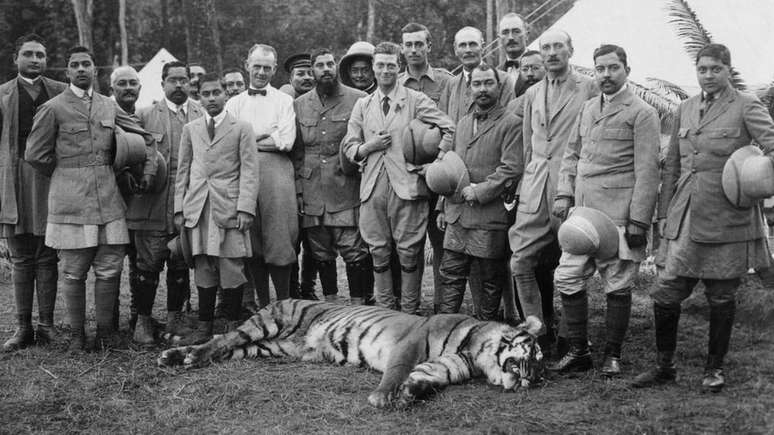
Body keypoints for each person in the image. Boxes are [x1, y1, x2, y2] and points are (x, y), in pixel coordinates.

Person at [633, 43, 774, 392]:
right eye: (702, 69)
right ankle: (665, 365)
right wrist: (664, 214)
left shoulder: (745, 105)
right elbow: (674, 169)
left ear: (728, 69)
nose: (708, 75)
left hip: (728, 218)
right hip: (685, 217)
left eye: (715, 69)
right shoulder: (685, 108)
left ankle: (715, 369)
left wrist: (757, 181)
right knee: (665, 293)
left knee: (721, 297)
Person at [25, 46, 157, 352]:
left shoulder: (108, 107)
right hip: (70, 201)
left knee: (110, 267)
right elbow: (35, 154)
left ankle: (105, 332)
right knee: (73, 270)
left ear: (95, 70)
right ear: (67, 72)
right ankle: (76, 335)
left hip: (109, 199)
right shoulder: (53, 107)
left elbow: (145, 138)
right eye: (75, 65)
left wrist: (146, 171)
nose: (81, 69)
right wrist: (65, 175)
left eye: (87, 64)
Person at [550, 45, 660, 376]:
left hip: (619, 218)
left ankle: (613, 354)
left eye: (613, 68)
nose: (606, 75)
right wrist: (564, 193)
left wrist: (639, 221)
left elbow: (648, 171)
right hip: (583, 216)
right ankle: (580, 351)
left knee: (618, 284)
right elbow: (571, 155)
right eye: (600, 69)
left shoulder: (642, 113)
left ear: (627, 69)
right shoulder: (586, 109)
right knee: (567, 277)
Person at [342, 42, 454, 314]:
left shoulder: (414, 100)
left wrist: (435, 164)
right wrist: (367, 148)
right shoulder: (363, 104)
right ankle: (385, 313)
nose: (385, 70)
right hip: (372, 188)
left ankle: (409, 313)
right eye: (380, 65)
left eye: (391, 65)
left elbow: (449, 128)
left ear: (399, 67)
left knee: (409, 253)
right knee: (378, 252)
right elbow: (349, 145)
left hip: (407, 188)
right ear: (373, 68)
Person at [508, 29, 598, 355]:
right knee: (520, 262)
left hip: (571, 189)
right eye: (546, 47)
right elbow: (527, 145)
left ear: (571, 49)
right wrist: (521, 187)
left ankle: (573, 339)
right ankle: (538, 333)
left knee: (573, 264)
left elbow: (593, 141)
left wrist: (577, 186)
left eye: (559, 45)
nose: (552, 52)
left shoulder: (589, 87)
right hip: (534, 188)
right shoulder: (532, 93)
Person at [174, 73, 259, 344]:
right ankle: (204, 325)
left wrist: (245, 208)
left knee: (231, 264)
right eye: (205, 94)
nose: (211, 98)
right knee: (203, 263)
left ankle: (233, 324)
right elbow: (183, 170)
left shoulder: (241, 128)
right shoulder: (192, 129)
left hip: (229, 206)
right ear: (198, 97)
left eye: (216, 93)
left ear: (226, 95)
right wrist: (179, 208)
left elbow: (250, 170)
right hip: (198, 207)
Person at [125, 61, 204, 344]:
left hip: (188, 204)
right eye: (173, 80)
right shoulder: (144, 115)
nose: (179, 85)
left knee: (180, 263)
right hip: (152, 204)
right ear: (162, 84)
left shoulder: (202, 112)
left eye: (184, 80)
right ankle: (143, 322)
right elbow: (129, 154)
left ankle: (175, 321)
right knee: (148, 265)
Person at [436, 63, 522, 320]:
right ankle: (445, 329)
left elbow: (511, 169)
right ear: (470, 88)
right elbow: (451, 166)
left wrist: (482, 191)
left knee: (490, 280)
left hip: (489, 216)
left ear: (499, 87)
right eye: (477, 84)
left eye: (488, 83)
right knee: (450, 274)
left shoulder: (511, 123)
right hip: (457, 214)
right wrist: (442, 206)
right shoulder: (461, 124)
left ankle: (484, 333)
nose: (482, 89)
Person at [0, 34, 66, 352]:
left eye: (41, 54)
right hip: (12, 180)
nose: (35, 59)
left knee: (47, 255)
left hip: (50, 179)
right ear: (16, 58)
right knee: (21, 257)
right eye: (28, 54)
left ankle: (47, 326)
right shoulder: (2, 95)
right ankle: (23, 327)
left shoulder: (61, 92)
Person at [293, 49, 372, 304]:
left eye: (330, 64)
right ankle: (331, 305)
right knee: (320, 252)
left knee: (354, 251)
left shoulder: (358, 99)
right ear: (313, 70)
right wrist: (298, 191)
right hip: (312, 189)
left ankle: (359, 307)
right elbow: (297, 153)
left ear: (336, 66)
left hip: (345, 187)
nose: (325, 69)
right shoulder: (300, 104)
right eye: (319, 65)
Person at [226, 44, 298, 307]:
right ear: (247, 65)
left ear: (274, 69)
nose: (261, 72)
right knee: (250, 237)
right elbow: (230, 142)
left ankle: (285, 305)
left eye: (267, 67)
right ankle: (262, 304)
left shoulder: (284, 100)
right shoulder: (234, 103)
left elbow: (286, 141)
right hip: (244, 173)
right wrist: (266, 137)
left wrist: (249, 141)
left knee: (279, 238)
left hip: (276, 172)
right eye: (256, 66)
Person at [398, 22, 453, 312]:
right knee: (411, 245)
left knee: (443, 244)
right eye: (408, 45)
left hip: (441, 174)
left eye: (419, 44)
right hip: (408, 176)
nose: (414, 50)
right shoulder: (395, 84)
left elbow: (454, 124)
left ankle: (442, 308)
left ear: (429, 46)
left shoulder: (447, 81)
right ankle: (410, 308)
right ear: (402, 48)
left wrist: (440, 159)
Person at [439, 26, 517, 124]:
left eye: (473, 44)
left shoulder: (503, 80)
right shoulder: (451, 84)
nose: (468, 50)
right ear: (455, 50)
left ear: (483, 47)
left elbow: (508, 122)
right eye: (462, 45)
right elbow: (443, 123)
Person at [497, 13, 530, 97]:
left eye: (516, 31)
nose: (511, 37)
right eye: (505, 32)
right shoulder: (496, 73)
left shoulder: (542, 66)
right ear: (500, 38)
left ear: (527, 35)